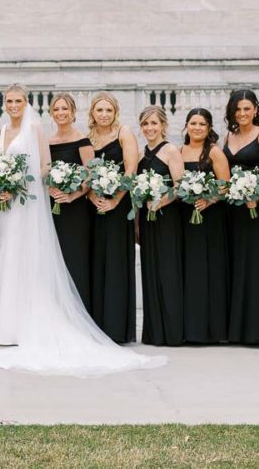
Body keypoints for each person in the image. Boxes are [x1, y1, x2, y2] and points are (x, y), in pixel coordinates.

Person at [0, 84, 165, 376]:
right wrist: (0, 183)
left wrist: (60, 189)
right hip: (9, 207)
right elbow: (8, 164)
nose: (14, 105)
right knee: (12, 259)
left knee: (45, 259)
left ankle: (54, 322)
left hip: (41, 205)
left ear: (27, 103)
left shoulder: (40, 130)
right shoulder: (2, 130)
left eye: (19, 100)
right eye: (9, 101)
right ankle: (7, 325)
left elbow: (54, 168)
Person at [222, 89, 259, 346]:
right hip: (233, 209)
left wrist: (257, 193)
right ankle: (238, 329)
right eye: (238, 109)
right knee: (236, 264)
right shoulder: (229, 135)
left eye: (247, 108)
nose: (243, 113)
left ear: (255, 110)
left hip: (257, 209)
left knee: (256, 265)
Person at [87, 91, 139, 344]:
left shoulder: (124, 133)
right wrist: (91, 197)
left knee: (116, 263)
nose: (104, 114)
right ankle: (96, 325)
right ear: (92, 114)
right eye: (99, 110)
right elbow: (85, 174)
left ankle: (118, 328)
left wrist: (115, 200)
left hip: (118, 208)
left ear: (115, 112)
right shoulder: (88, 138)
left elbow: (130, 170)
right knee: (96, 262)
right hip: (94, 208)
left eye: (108, 110)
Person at [179, 108, 230, 344]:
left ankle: (212, 330)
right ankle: (192, 328)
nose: (197, 127)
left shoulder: (215, 153)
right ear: (186, 126)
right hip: (186, 217)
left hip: (210, 217)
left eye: (202, 124)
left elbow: (226, 185)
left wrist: (208, 200)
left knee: (210, 270)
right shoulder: (179, 151)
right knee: (191, 271)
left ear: (209, 128)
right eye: (193, 123)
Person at [137, 105, 185, 347]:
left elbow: (180, 186)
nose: (149, 128)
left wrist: (160, 201)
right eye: (145, 124)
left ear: (163, 125)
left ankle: (173, 331)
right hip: (148, 220)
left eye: (154, 123)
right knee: (151, 270)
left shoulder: (171, 151)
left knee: (168, 270)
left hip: (166, 217)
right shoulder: (142, 154)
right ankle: (154, 332)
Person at [46, 93, 94, 311]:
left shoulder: (83, 141)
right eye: (56, 109)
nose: (60, 113)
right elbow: (44, 173)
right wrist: (51, 188)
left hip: (76, 210)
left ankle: (79, 311)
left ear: (73, 112)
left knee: (75, 258)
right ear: (51, 113)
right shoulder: (48, 142)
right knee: (56, 260)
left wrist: (72, 195)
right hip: (54, 210)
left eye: (65, 109)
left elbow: (91, 176)